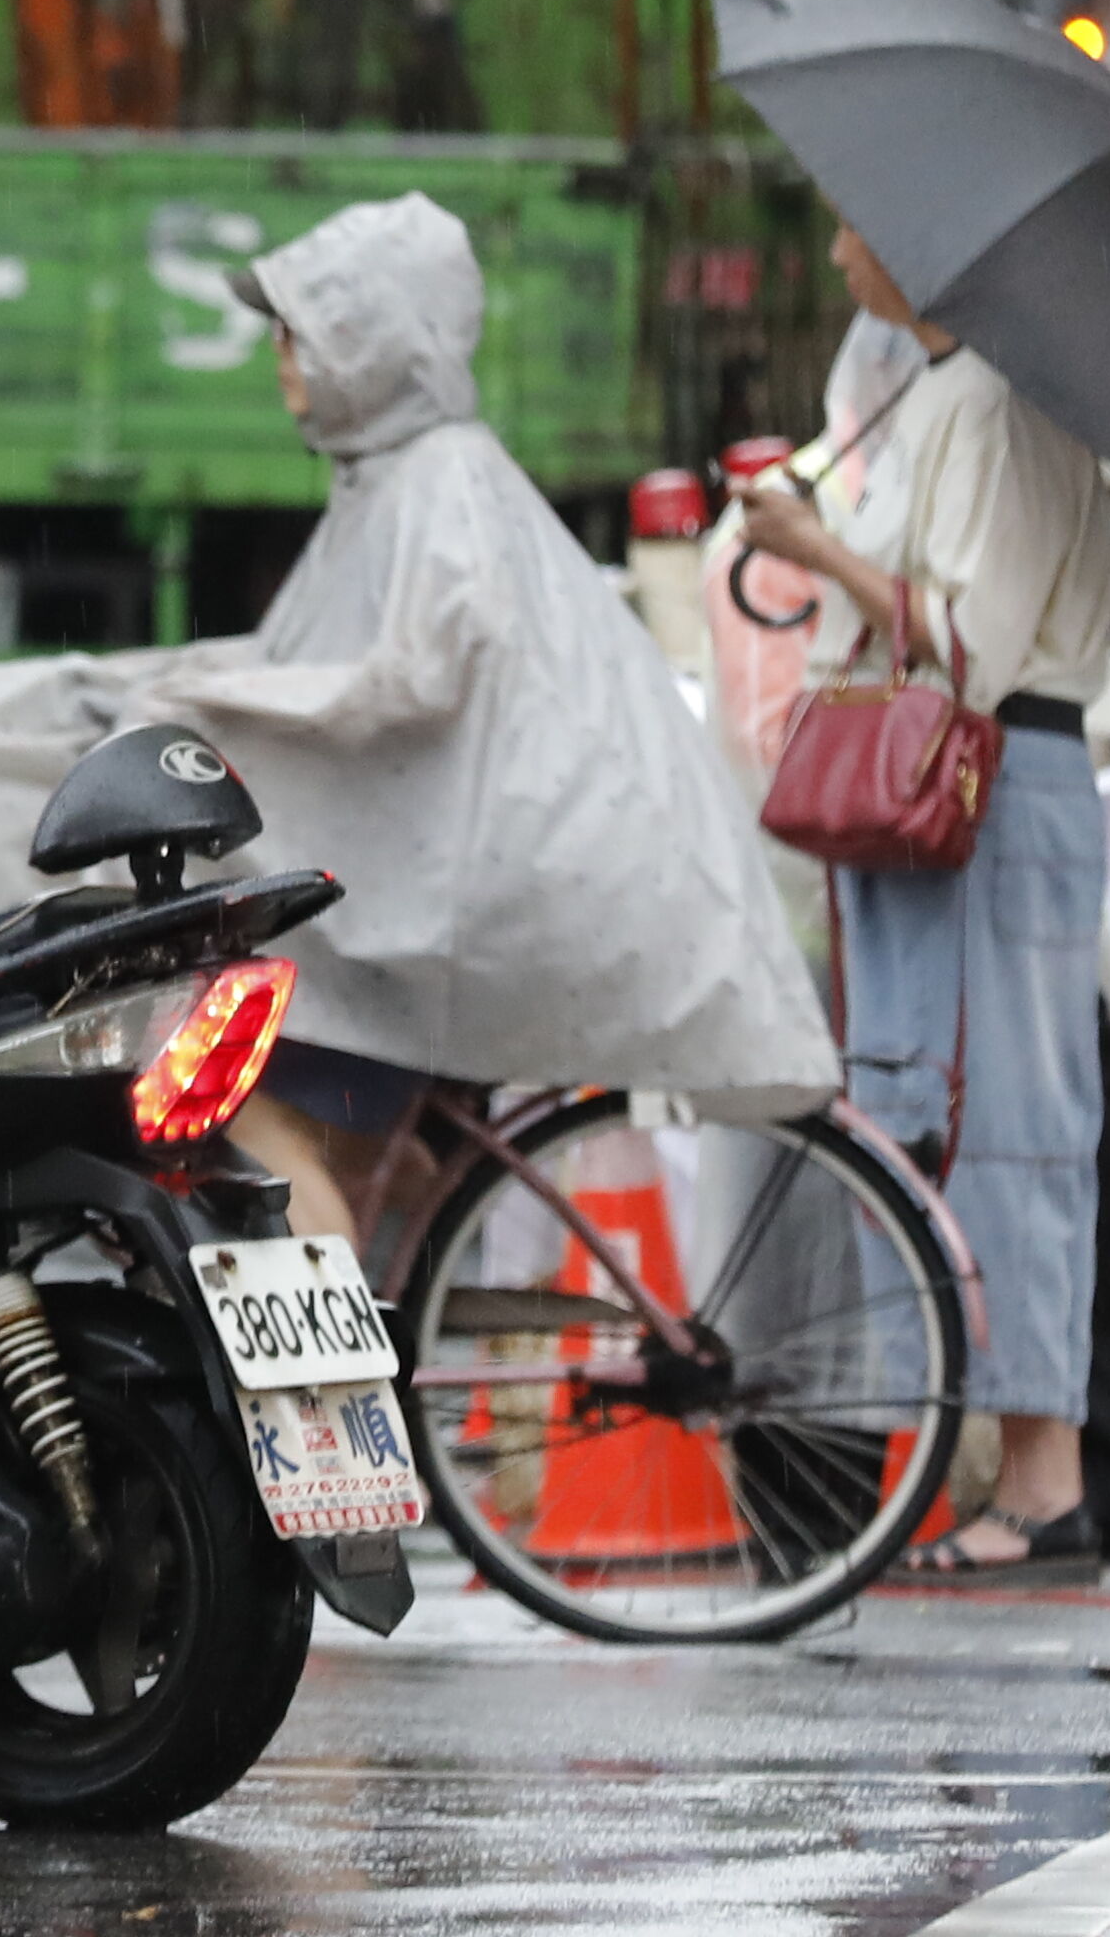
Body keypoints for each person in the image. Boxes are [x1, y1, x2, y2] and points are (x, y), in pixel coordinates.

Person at [150, 195, 827, 1263]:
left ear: (367, 337)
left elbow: (403, 684)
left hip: (425, 928)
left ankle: (320, 1408)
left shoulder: (435, 489)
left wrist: (207, 707)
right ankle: (403, 1376)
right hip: (430, 910)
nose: (281, 354)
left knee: (263, 1131)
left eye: (301, 328)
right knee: (364, 1161)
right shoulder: (406, 480)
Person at [730, 212, 1110, 1568]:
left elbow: (972, 640)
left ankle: (1042, 1478)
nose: (838, 245)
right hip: (950, 799)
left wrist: (817, 544)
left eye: (854, 222)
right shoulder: (943, 390)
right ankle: (989, 1467)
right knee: (925, 1110)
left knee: (1007, 1117)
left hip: (992, 784)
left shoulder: (1007, 404)